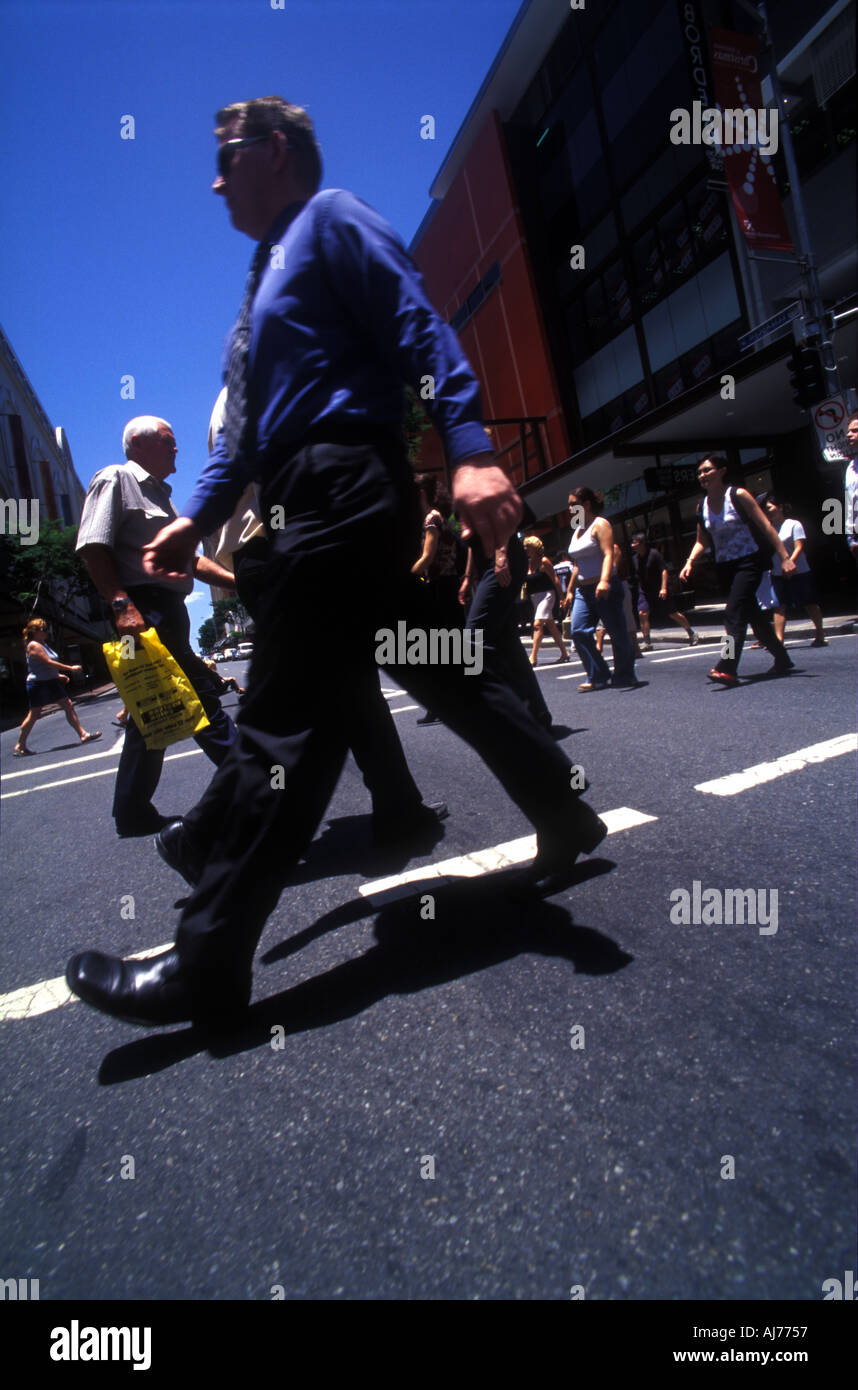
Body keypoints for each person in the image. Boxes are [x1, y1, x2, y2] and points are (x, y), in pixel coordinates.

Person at [66, 95, 606, 1030]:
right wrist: (196, 519)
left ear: (276, 151)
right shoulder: (258, 282)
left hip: (347, 485)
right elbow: (241, 438)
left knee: (282, 723)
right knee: (447, 670)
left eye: (227, 156)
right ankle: (565, 811)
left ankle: (206, 962)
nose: (214, 177)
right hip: (302, 492)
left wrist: (472, 446)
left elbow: (419, 326)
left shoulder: (331, 220)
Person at [75, 416, 239, 836]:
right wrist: (121, 605)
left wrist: (241, 584)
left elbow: (191, 560)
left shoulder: (162, 499)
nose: (176, 448)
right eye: (168, 441)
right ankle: (256, 785)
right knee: (201, 698)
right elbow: (94, 546)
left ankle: (131, 811)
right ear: (138, 444)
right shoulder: (115, 479)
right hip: (142, 611)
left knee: (151, 710)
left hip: (168, 609)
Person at [679, 456, 795, 686]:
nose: (702, 475)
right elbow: (702, 540)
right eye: (699, 472)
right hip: (725, 567)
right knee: (754, 617)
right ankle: (782, 659)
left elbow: (765, 526)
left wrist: (784, 557)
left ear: (722, 471)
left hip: (748, 562)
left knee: (734, 613)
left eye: (707, 470)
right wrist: (690, 561)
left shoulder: (738, 495)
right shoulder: (701, 506)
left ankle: (727, 666)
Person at [460, 533, 554, 730]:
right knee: (507, 640)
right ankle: (538, 712)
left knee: (473, 638)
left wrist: (501, 556)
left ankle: (518, 700)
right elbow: (472, 541)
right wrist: (468, 576)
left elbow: (500, 514)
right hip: (490, 563)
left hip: (502, 558)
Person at [564, 488, 636, 690]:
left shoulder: (600, 524)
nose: (569, 508)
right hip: (583, 591)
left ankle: (625, 674)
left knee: (617, 632)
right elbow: (577, 563)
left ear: (586, 504)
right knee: (578, 631)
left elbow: (608, 554)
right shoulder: (577, 530)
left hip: (605, 587)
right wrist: (570, 589)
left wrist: (604, 580)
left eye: (573, 504)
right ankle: (598, 674)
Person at [13, 618, 101, 756]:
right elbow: (47, 663)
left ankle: (83, 734)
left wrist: (58, 675)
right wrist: (70, 668)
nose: (47, 632)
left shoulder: (43, 644)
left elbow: (44, 666)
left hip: (50, 681)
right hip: (38, 684)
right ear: (35, 631)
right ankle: (20, 744)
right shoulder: (34, 645)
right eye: (44, 629)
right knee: (34, 714)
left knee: (68, 705)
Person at [756, 493, 827, 646]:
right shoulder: (768, 529)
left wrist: (789, 562)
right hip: (777, 572)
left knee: (810, 603)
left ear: (780, 507)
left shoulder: (794, 524)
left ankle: (820, 633)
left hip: (799, 570)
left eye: (769, 508)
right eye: (765, 509)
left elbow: (799, 546)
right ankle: (779, 641)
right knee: (779, 605)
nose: (767, 511)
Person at [630, 533, 699, 648]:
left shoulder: (654, 554)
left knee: (672, 613)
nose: (632, 545)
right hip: (645, 590)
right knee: (642, 613)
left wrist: (663, 588)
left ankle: (692, 633)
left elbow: (664, 571)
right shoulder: (635, 559)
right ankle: (647, 641)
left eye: (635, 543)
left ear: (642, 544)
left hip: (659, 589)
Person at [522, 536, 570, 665]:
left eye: (528, 546)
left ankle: (533, 656)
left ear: (535, 547)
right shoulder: (528, 563)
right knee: (551, 626)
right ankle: (565, 653)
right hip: (534, 598)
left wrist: (561, 598)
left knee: (537, 624)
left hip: (547, 596)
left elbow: (555, 580)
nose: (525, 548)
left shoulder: (544, 561)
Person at [844, 414, 858, 567]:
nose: (848, 434)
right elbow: (850, 503)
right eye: (849, 431)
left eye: (855, 431)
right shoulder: (850, 468)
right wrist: (851, 539)